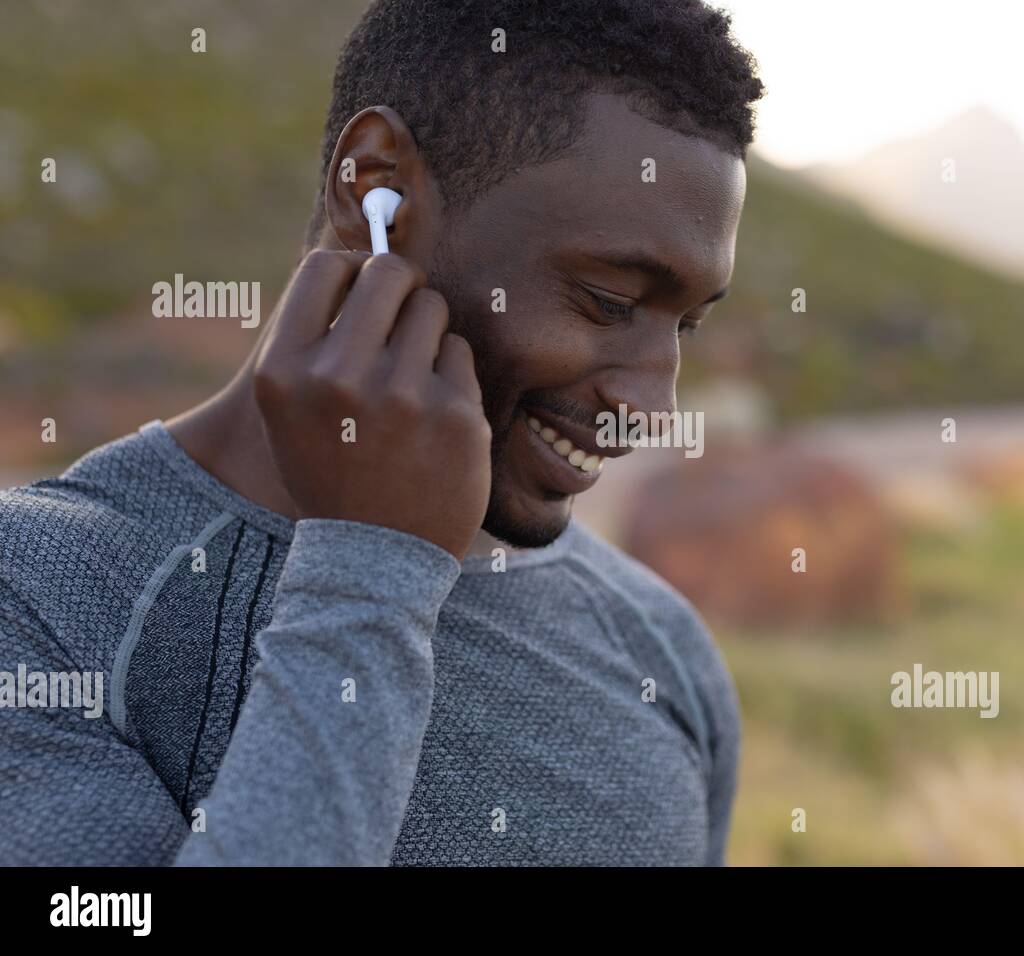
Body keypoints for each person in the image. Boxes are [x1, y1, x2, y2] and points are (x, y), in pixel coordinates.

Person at [0, 0, 764, 865]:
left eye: (685, 326)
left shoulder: (663, 647)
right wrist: (373, 569)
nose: (655, 406)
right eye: (609, 302)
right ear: (375, 188)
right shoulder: (35, 599)